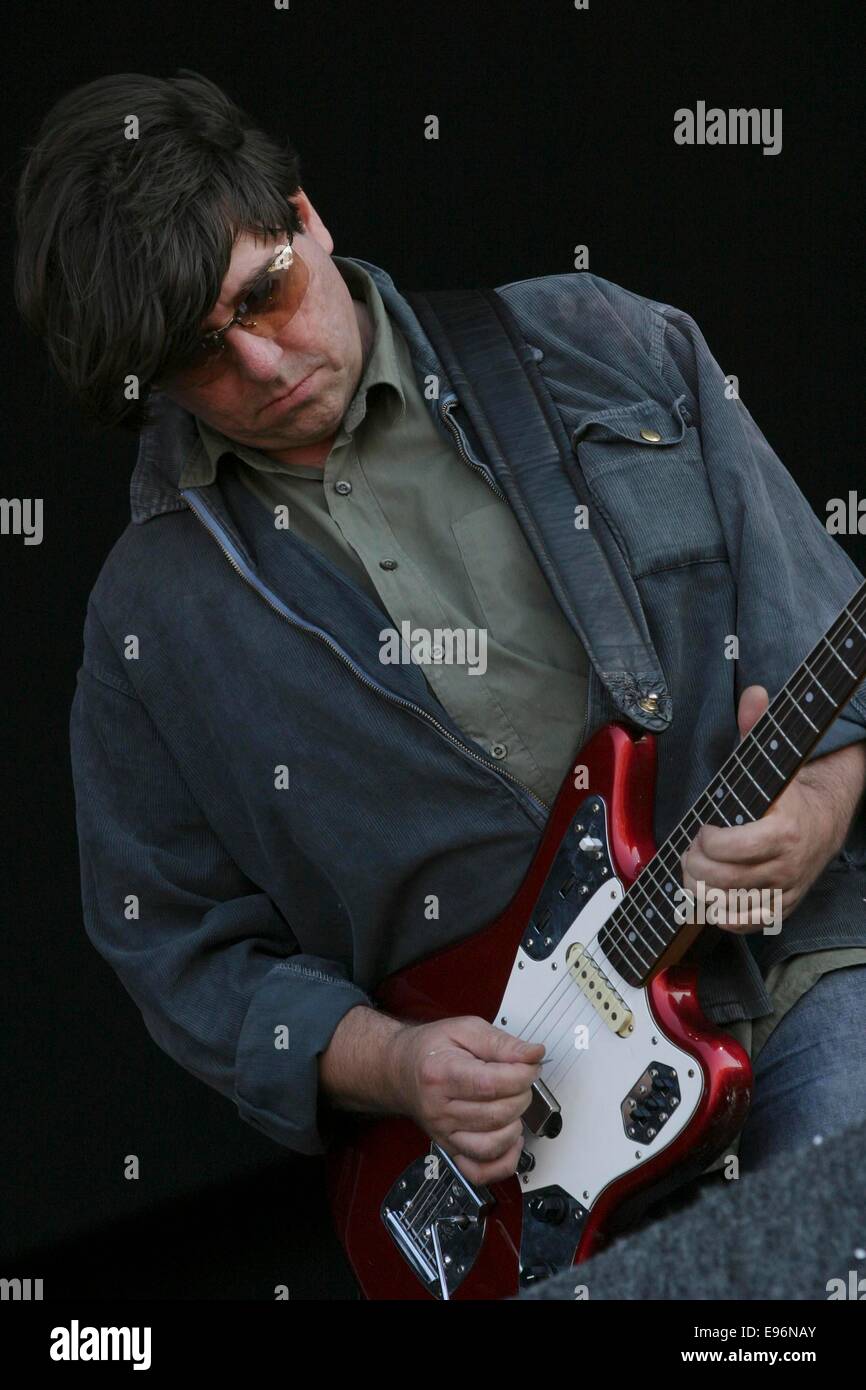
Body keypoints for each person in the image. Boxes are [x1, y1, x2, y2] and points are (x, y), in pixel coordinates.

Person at [14, 70, 866, 1199]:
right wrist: (397, 1061)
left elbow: (829, 647)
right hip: (525, 1144)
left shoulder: (598, 339)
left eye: (262, 294)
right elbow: (176, 948)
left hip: (795, 964)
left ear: (305, 216)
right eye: (197, 356)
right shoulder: (147, 621)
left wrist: (808, 814)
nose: (261, 364)